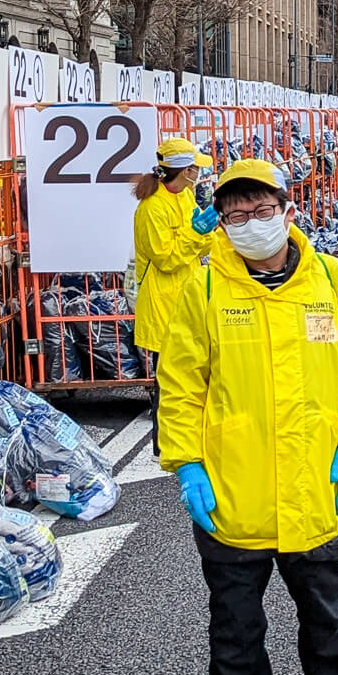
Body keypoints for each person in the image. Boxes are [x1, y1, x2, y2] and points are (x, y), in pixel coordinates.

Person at [157, 159, 338, 675]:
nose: (250, 225)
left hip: (314, 482)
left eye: (261, 212)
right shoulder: (204, 290)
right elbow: (179, 387)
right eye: (235, 216)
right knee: (235, 620)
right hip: (235, 490)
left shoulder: (330, 281)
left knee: (325, 608)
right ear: (221, 224)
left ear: (287, 211)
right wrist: (188, 466)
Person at [131, 137, 215, 451]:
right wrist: (197, 235)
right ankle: (163, 446)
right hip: (164, 300)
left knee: (195, 373)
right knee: (168, 379)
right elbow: (166, 258)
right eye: (194, 168)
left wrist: (205, 235)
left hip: (189, 293)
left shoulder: (184, 196)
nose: (198, 173)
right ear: (184, 170)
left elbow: (199, 244)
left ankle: (192, 439)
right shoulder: (152, 208)